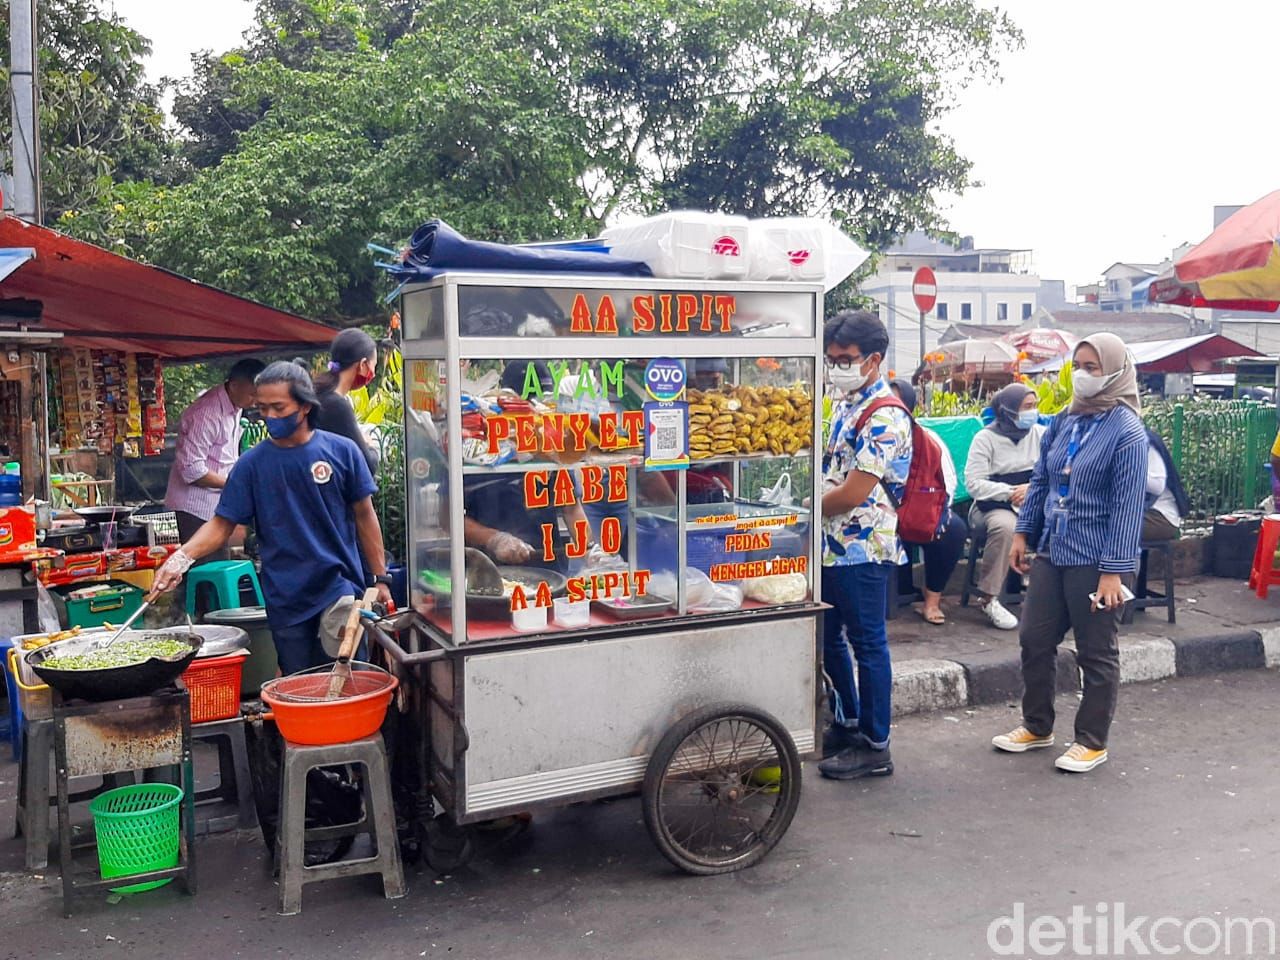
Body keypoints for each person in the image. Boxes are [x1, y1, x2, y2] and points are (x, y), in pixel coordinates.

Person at [151, 361, 394, 675]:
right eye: (263, 408)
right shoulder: (251, 465)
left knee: (346, 673)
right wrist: (180, 559)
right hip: (286, 594)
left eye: (279, 407)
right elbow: (221, 524)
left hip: (337, 583)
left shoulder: (342, 452)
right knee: (299, 681)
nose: (269, 417)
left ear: (305, 406)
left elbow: (365, 515)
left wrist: (381, 578)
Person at [993, 333, 1146, 774]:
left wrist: (1113, 573)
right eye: (1078, 365)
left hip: (1096, 560)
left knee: (1096, 652)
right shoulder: (1064, 420)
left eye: (1092, 368)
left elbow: (1127, 506)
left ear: (1116, 373)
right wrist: (1024, 533)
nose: (1082, 375)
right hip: (1054, 551)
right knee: (1033, 639)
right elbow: (1041, 481)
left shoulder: (1128, 433)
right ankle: (1036, 725)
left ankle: (1091, 741)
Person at [816, 310, 911, 781]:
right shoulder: (846, 404)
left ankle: (876, 745)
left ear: (874, 360)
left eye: (846, 359)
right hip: (831, 546)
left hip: (864, 548)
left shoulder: (885, 415)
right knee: (828, 637)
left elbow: (854, 493)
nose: (837, 367)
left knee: (868, 643)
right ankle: (847, 722)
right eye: (831, 358)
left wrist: (803, 515)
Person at [163, 358, 265, 559]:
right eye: (253, 394)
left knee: (219, 567)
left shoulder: (235, 404)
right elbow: (192, 470)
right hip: (195, 507)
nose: (256, 400)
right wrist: (236, 484)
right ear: (234, 385)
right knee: (205, 570)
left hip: (217, 503)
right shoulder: (207, 413)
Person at [963, 383, 1045, 630]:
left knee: (1063, 522)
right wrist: (1010, 493)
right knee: (1006, 527)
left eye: (1034, 406)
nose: (1033, 412)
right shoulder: (985, 439)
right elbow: (974, 483)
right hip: (992, 506)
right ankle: (989, 598)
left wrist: (1030, 490)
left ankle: (1057, 592)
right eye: (1026, 407)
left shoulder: (1042, 435)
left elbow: (1054, 473)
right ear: (1008, 411)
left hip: (1033, 503)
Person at [889, 379, 966, 625]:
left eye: (900, 402)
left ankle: (931, 600)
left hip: (922, 506)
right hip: (880, 511)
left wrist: (933, 510)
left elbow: (947, 481)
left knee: (952, 529)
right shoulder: (870, 434)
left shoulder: (927, 437)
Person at [313, 328, 381, 475]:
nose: (373, 374)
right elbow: (367, 465)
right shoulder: (336, 405)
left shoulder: (319, 393)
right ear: (363, 365)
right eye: (373, 366)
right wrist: (371, 446)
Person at [1143, 428, 1186, 542]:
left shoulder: (1143, 441)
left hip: (1159, 516)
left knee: (1102, 527)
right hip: (1133, 512)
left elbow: (1157, 485)